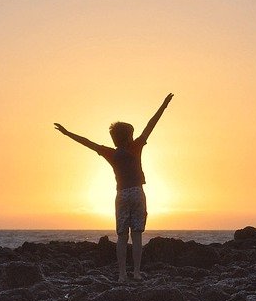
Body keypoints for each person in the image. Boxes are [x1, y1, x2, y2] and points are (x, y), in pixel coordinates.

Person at [54, 93, 174, 282]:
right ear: (129, 137)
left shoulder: (110, 153)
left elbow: (87, 142)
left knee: (121, 236)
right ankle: (135, 273)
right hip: (137, 192)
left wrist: (67, 133)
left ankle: (121, 275)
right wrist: (164, 105)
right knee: (136, 235)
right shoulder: (136, 147)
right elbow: (151, 124)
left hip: (121, 194)